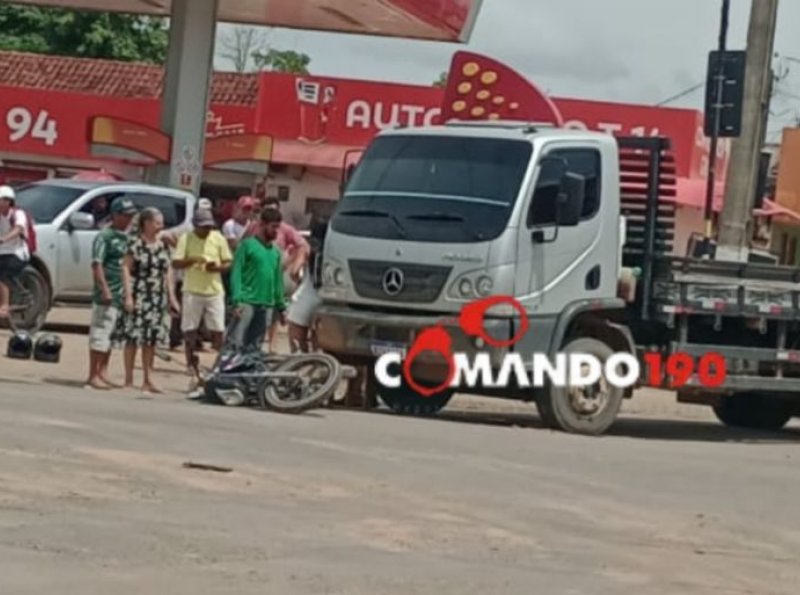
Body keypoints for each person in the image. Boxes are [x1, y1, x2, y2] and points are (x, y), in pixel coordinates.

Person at [117, 207, 180, 394]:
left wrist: (172, 297)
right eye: (157, 222)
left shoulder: (163, 245)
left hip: (156, 296)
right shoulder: (135, 244)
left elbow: (167, 271)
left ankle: (148, 378)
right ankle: (128, 379)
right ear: (146, 223)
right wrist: (128, 295)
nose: (160, 226)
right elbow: (126, 269)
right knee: (132, 337)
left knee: (150, 339)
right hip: (139, 294)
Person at [172, 209, 232, 384]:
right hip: (192, 289)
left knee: (218, 328)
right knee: (189, 329)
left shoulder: (218, 238)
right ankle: (190, 363)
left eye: (209, 227)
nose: (206, 230)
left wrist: (217, 267)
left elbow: (228, 261)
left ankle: (219, 364)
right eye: (203, 227)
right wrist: (193, 260)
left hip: (214, 289)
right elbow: (176, 262)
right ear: (195, 226)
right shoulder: (186, 238)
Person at [86, 197, 138, 390]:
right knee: (100, 332)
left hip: (121, 293)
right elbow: (97, 264)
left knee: (111, 335)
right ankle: (92, 374)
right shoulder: (104, 236)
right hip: (107, 293)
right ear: (115, 215)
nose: (129, 219)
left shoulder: (128, 237)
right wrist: (104, 288)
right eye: (125, 215)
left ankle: (103, 371)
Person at [245, 198, 309, 352]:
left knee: (272, 312)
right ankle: (251, 346)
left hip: (275, 275)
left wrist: (293, 263)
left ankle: (271, 346)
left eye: (274, 209)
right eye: (267, 210)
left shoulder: (285, 229)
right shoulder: (253, 228)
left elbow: (303, 245)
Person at [228, 208, 287, 352]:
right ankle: (224, 373)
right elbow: (236, 274)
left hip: (265, 305)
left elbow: (277, 281)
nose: (276, 231)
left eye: (277, 227)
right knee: (235, 342)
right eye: (273, 227)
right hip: (246, 303)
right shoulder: (247, 246)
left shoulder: (275, 252)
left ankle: (248, 373)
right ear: (262, 224)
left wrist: (281, 306)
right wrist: (237, 301)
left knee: (255, 346)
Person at [286, 216, 328, 353]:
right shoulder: (333, 248)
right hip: (327, 296)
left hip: (307, 292)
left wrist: (299, 282)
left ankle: (300, 362)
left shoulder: (307, 248)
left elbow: (294, 271)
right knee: (320, 339)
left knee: (297, 335)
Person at [0, 185, 30, 319]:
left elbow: (18, 229)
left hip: (18, 253)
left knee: (2, 275)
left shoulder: (18, 214)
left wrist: (4, 239)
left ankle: (4, 306)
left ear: (8, 201)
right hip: (2, 252)